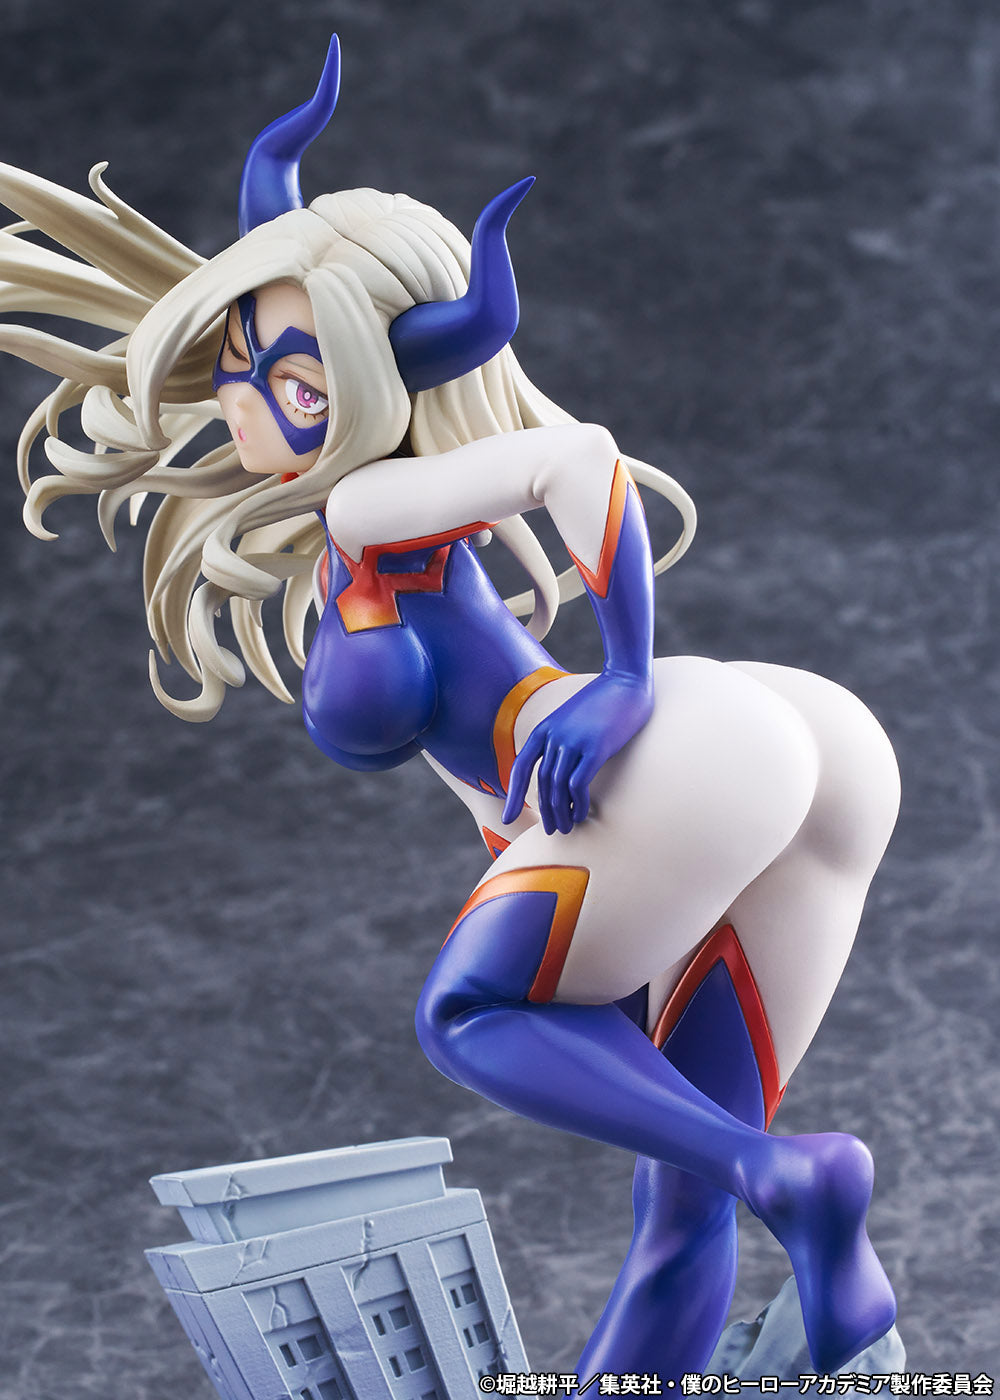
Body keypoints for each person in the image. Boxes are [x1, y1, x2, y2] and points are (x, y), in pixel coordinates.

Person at [2, 36, 900, 1379]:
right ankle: (834, 1326)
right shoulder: (399, 518)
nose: (247, 407)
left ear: (378, 382)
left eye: (296, 381)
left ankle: (796, 1176)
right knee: (681, 1201)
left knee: (472, 1017)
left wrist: (628, 678)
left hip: (664, 760)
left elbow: (577, 458)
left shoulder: (368, 507)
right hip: (805, 741)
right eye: (242, 368)